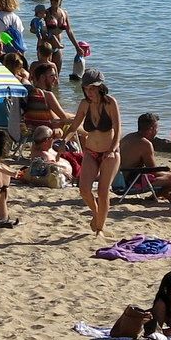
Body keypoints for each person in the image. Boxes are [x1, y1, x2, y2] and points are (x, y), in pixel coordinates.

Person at [67, 72, 121, 235]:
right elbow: (74, 126)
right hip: (91, 152)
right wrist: (64, 141)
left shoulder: (111, 103)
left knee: (103, 191)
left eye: (92, 88)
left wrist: (111, 149)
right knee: (84, 190)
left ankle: (99, 228)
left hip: (109, 153)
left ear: (100, 87)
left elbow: (118, 130)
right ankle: (97, 213)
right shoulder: (84, 104)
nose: (89, 91)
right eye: (86, 88)